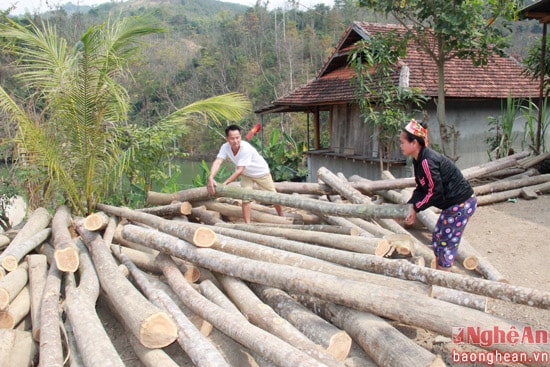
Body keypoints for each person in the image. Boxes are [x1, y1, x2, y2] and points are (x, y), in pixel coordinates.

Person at [400, 119, 477, 271]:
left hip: (461, 204)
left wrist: (415, 208)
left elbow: (434, 192)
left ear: (414, 143)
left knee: (446, 244)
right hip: (451, 205)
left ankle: (443, 282)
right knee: (438, 238)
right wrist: (409, 206)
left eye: (402, 142)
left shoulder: (427, 162)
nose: (400, 145)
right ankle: (439, 275)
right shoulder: (418, 160)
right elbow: (421, 188)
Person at [207, 124, 284, 223]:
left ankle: (282, 216)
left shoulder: (245, 148)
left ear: (241, 137)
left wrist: (224, 185)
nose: (235, 141)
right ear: (227, 139)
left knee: (273, 196)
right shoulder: (225, 147)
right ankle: (247, 224)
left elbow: (239, 170)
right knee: (245, 198)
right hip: (246, 174)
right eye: (232, 139)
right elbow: (218, 161)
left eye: (237, 138)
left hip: (261, 173)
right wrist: (210, 177)